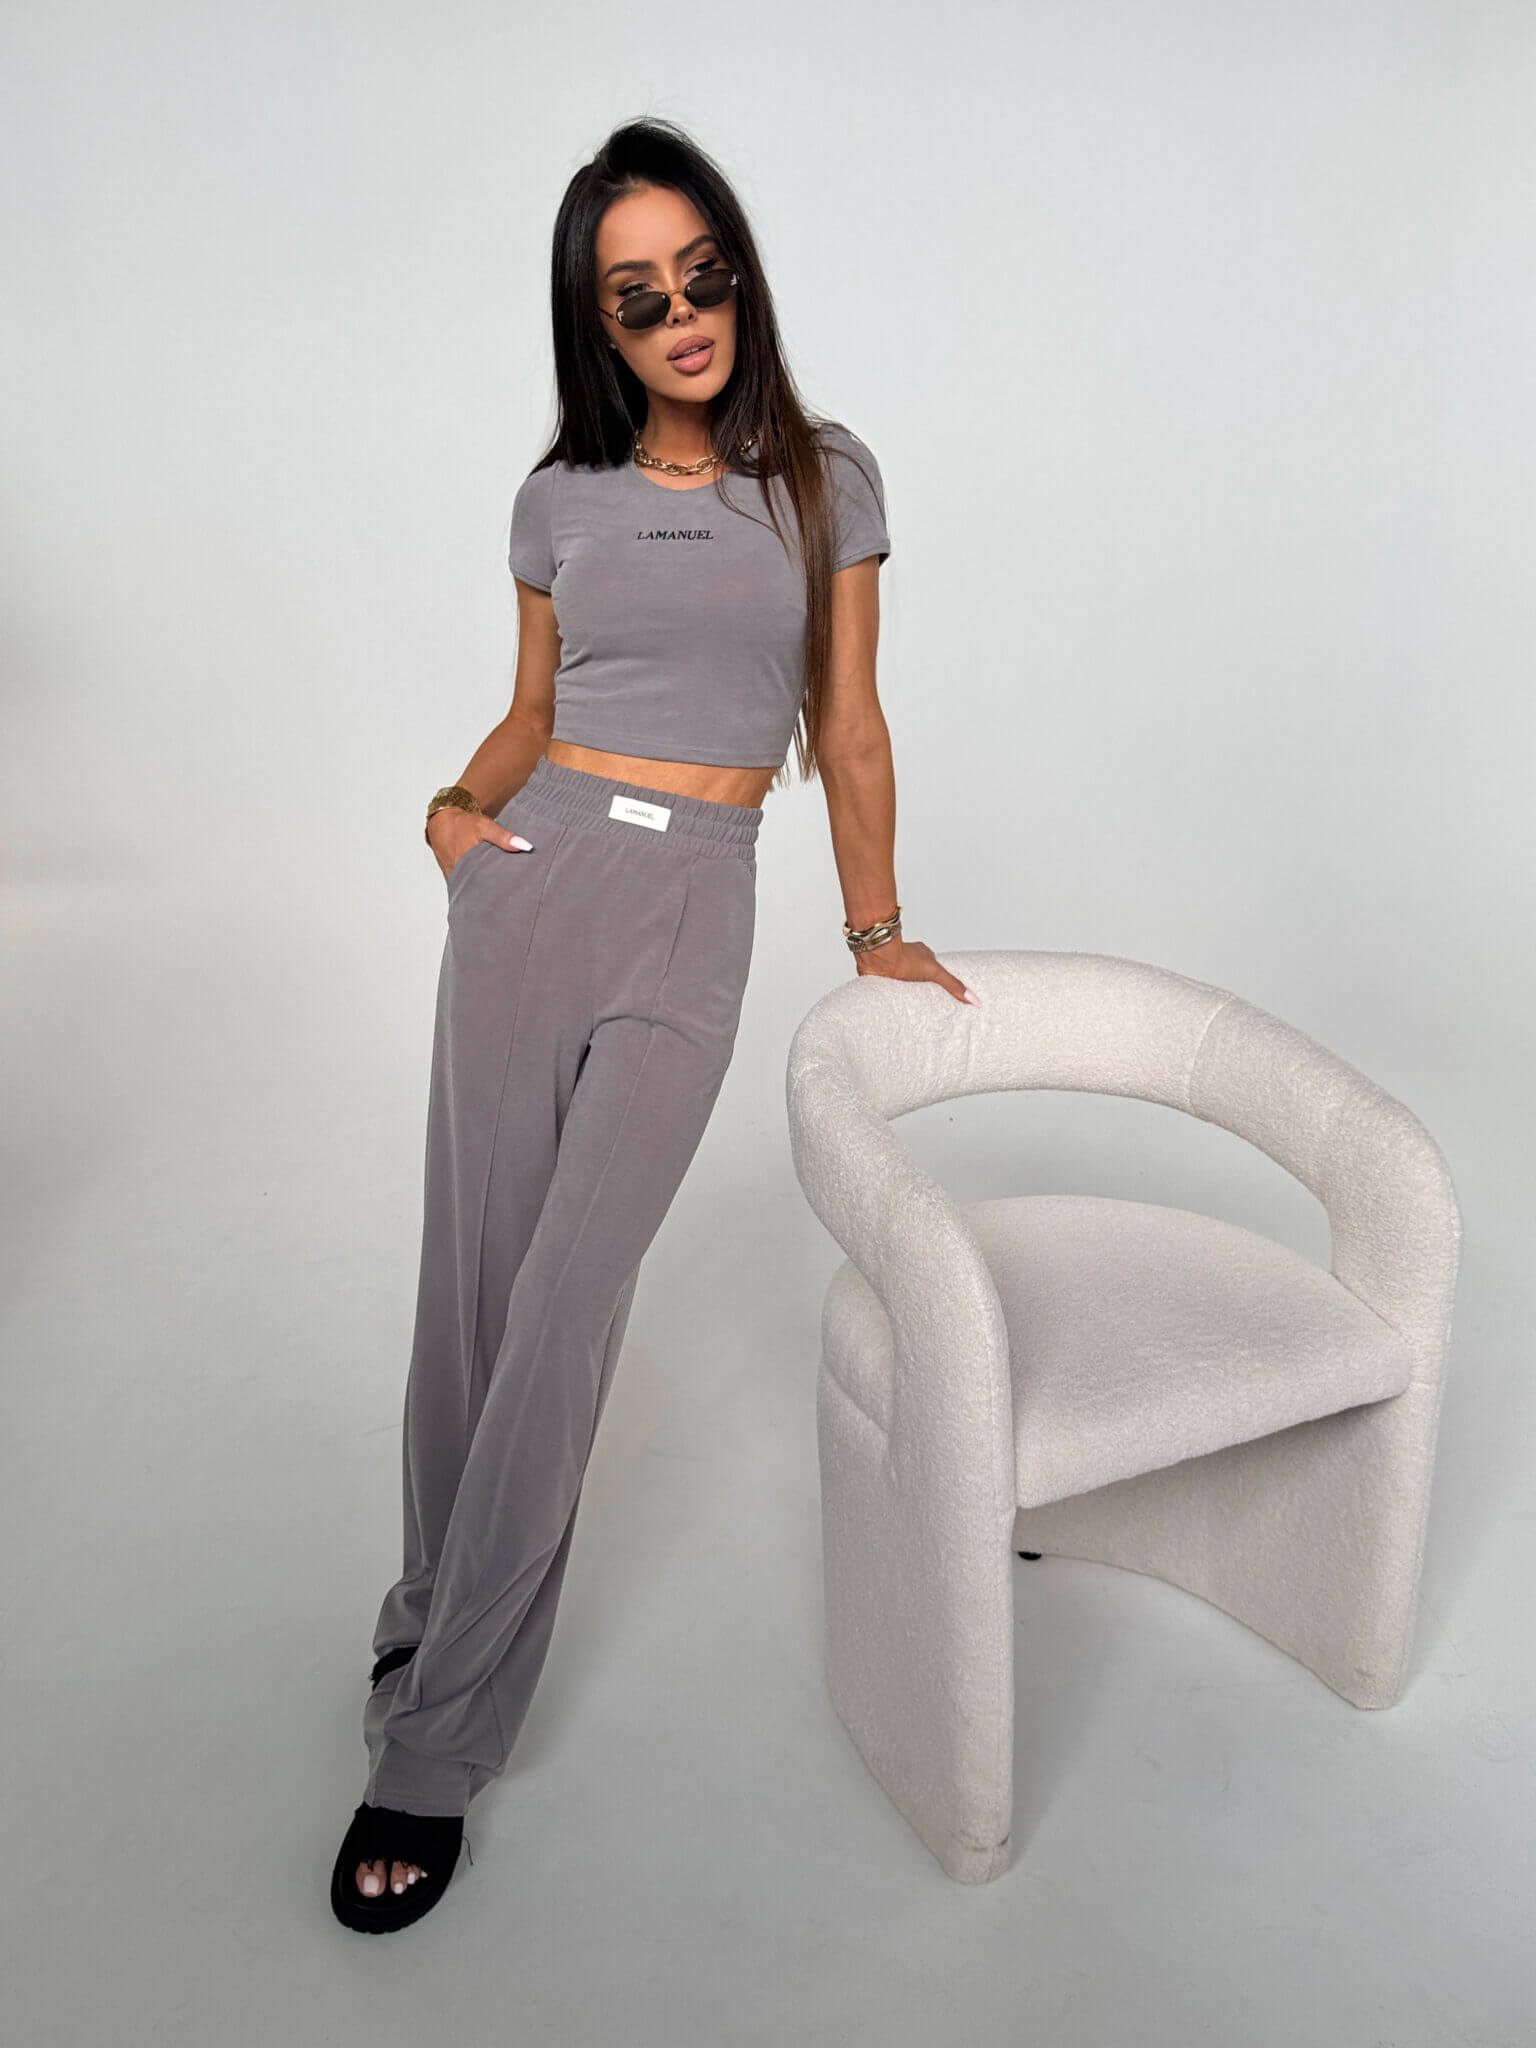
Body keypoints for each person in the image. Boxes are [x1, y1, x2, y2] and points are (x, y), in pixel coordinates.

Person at [330, 115, 977, 1934]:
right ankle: (422, 1622)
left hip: (698, 901)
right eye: (638, 297)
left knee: (565, 1305)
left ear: (742, 279)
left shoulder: (826, 480)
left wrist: (878, 931)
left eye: (705, 276)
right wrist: (453, 823)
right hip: (532, 888)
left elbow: (849, 725)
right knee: (473, 1293)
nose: (683, 315)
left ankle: (432, 1744)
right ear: (595, 322)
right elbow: (531, 710)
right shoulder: (558, 500)